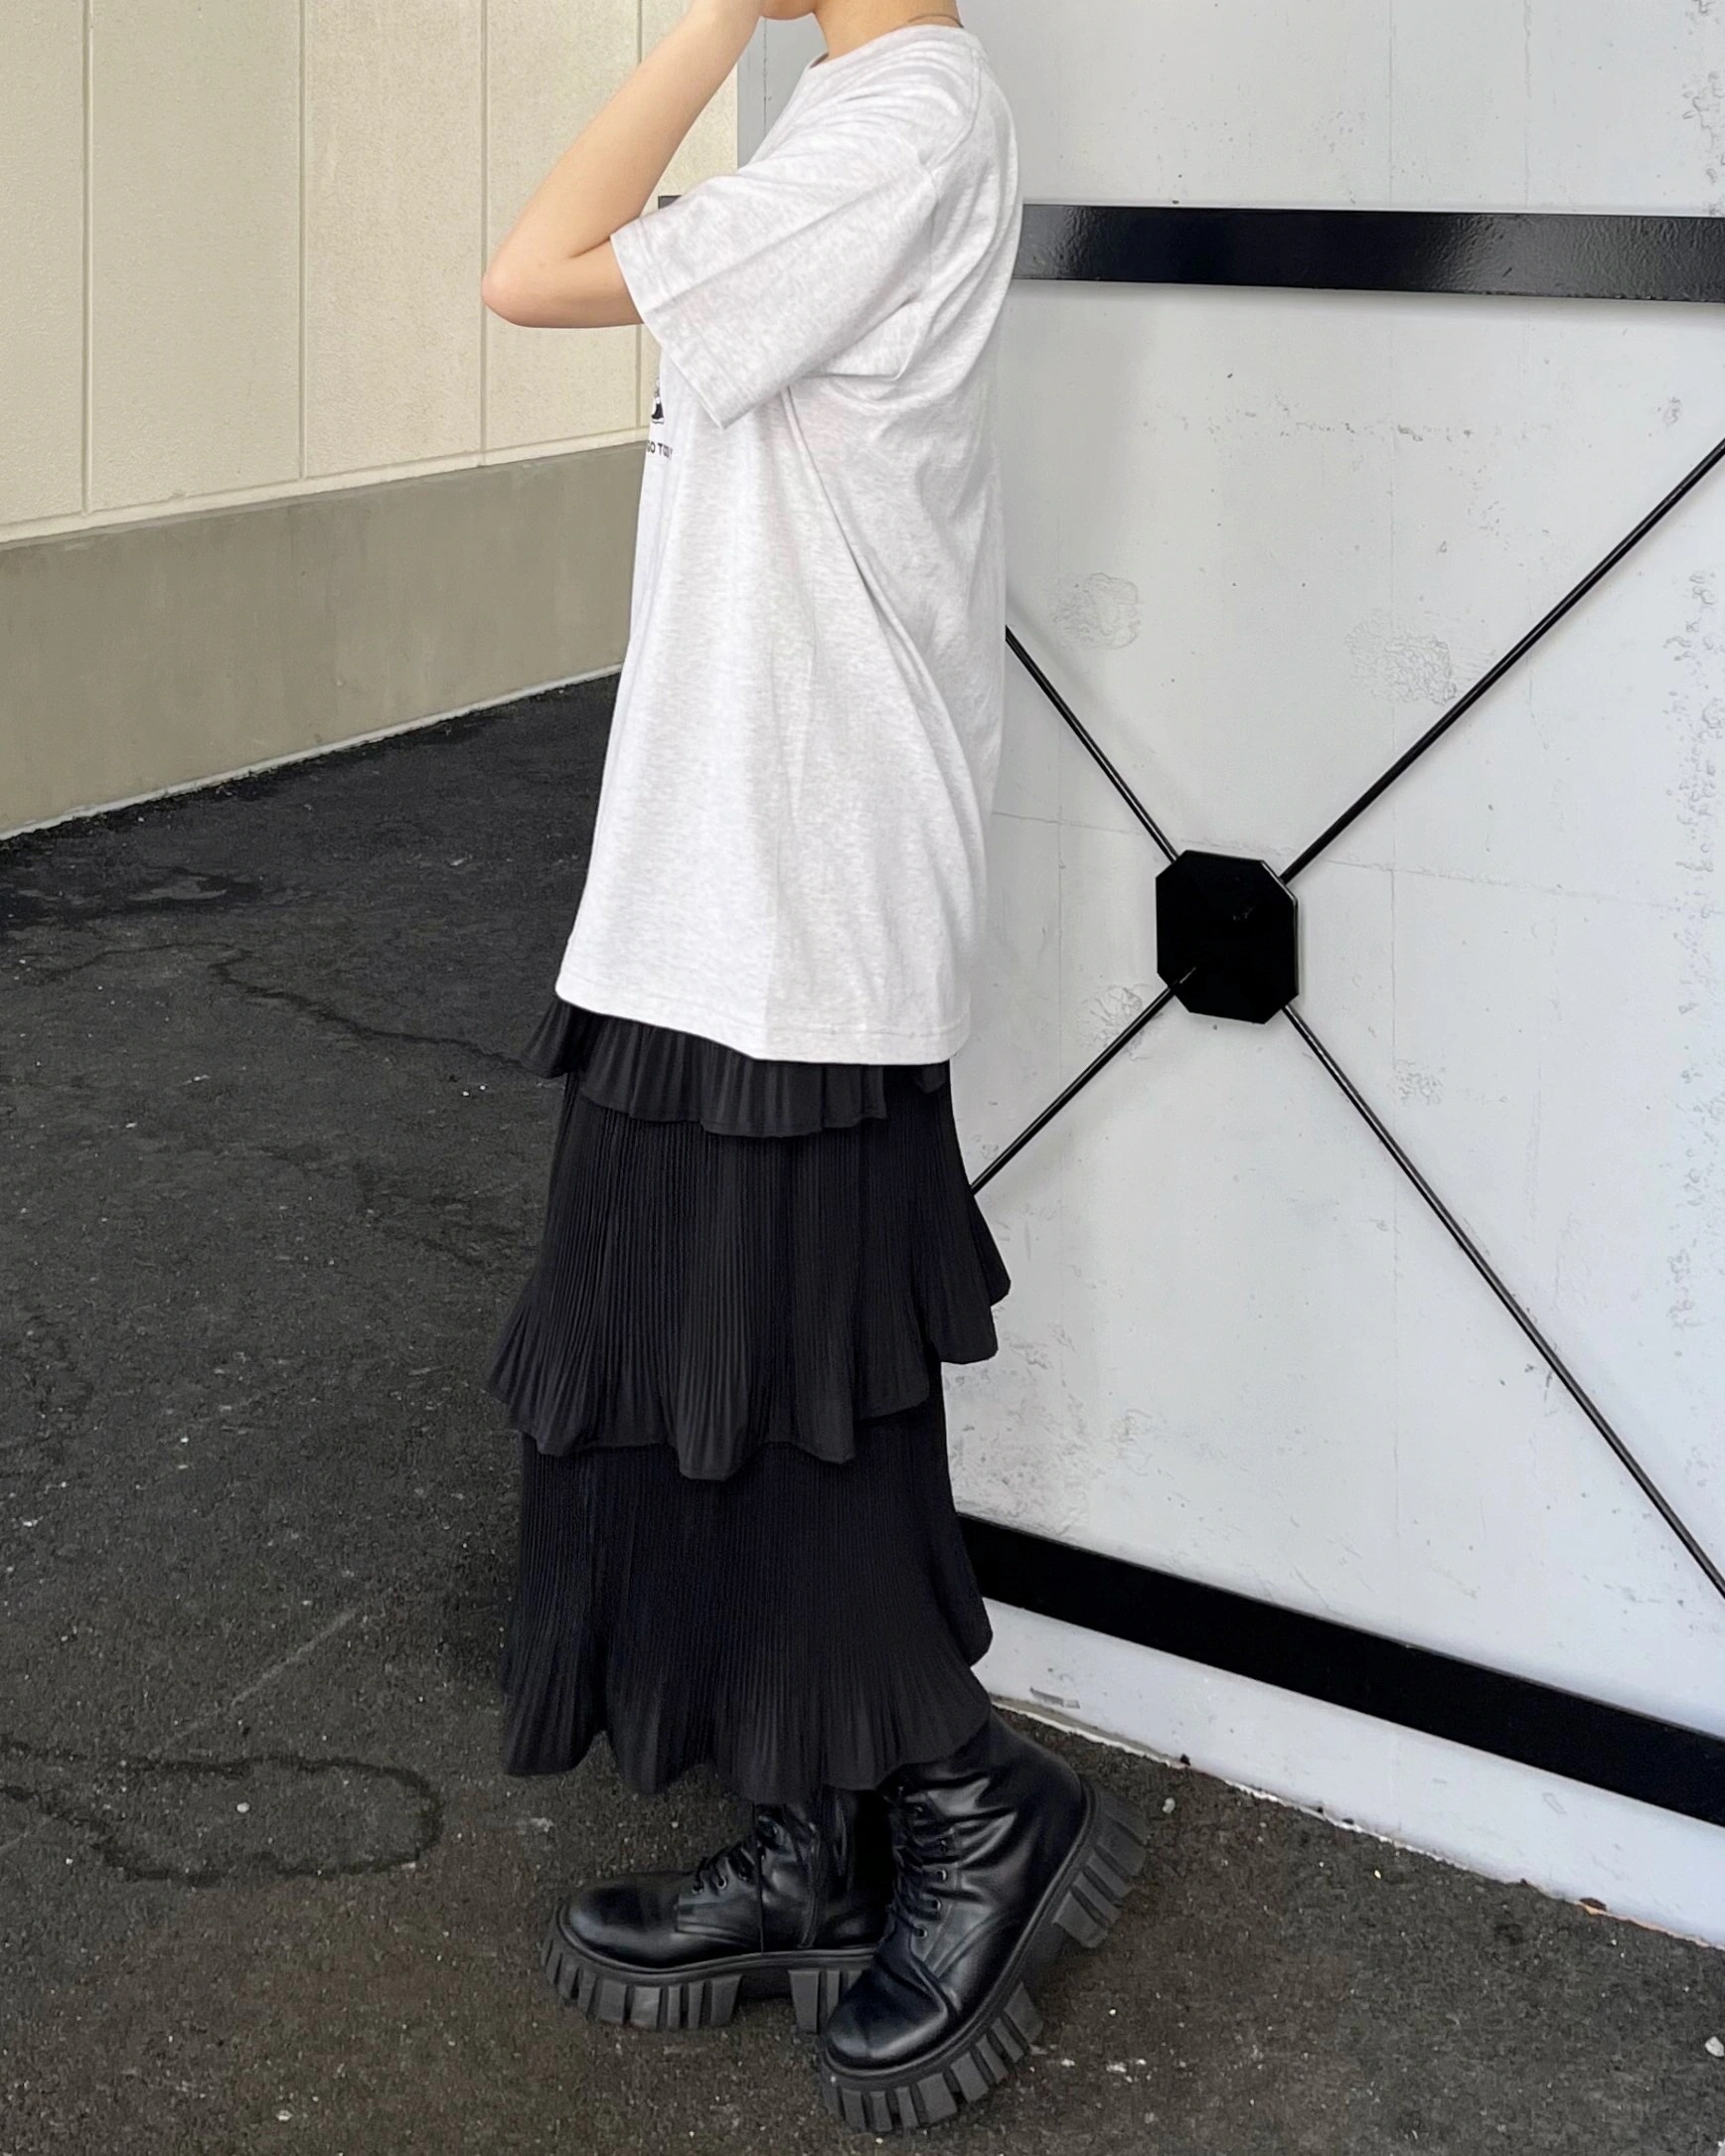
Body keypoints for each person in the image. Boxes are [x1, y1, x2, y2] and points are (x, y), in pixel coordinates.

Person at [480, 0, 1146, 2130]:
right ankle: (812, 1826)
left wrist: (695, 22)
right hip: (720, 876)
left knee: (786, 1376)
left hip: (800, 881)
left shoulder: (904, 122)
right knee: (712, 1365)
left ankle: (965, 1801)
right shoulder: (852, 122)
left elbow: (531, 269)